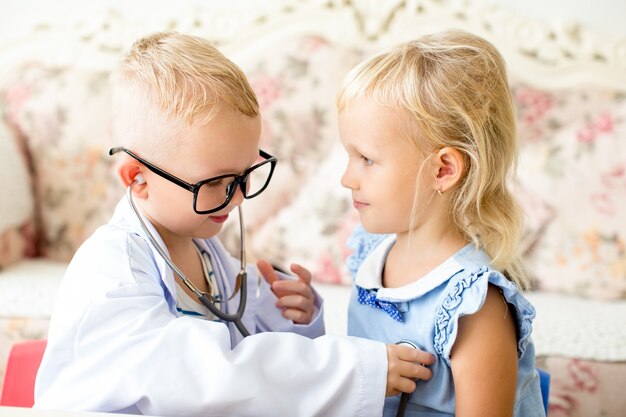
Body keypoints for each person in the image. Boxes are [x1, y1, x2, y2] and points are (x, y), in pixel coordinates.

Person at [34, 32, 435, 416]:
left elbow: (249, 344)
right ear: (138, 178)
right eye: (217, 183)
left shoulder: (206, 251)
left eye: (244, 176)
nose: (239, 196)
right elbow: (208, 375)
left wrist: (291, 317)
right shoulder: (112, 270)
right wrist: (351, 369)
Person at [337, 29, 546, 417]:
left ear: (443, 170)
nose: (347, 179)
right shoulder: (371, 251)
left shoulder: (474, 307)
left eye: (366, 159)